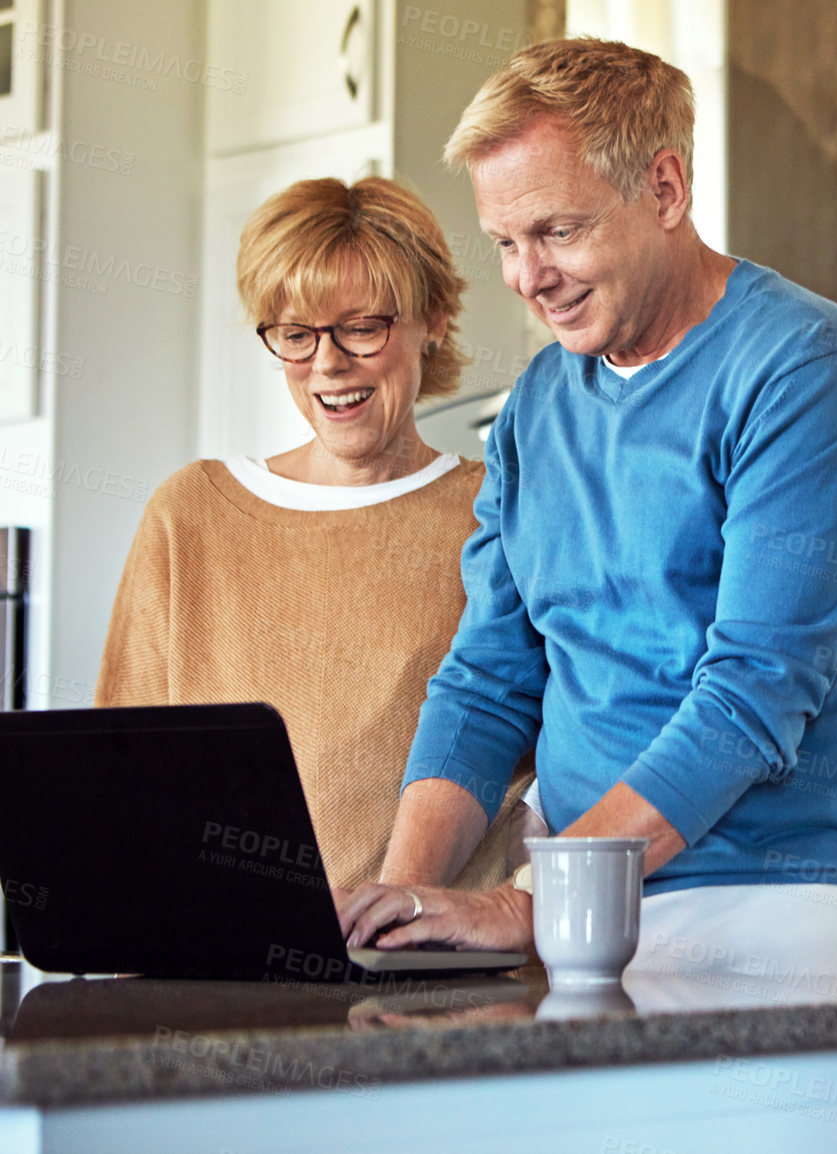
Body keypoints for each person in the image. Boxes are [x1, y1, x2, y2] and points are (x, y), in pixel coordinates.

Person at [339, 38, 837, 989]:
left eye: (557, 230)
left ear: (664, 190)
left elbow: (752, 697)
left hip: (774, 910)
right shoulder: (536, 404)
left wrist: (534, 904)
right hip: (582, 906)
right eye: (505, 243)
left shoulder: (802, 369)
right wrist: (392, 913)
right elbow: (488, 679)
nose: (527, 277)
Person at [96, 176, 533, 891]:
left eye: (362, 327)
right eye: (297, 334)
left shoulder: (501, 511)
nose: (328, 363)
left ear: (435, 319)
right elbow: (119, 786)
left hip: (442, 982)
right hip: (217, 980)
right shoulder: (189, 515)